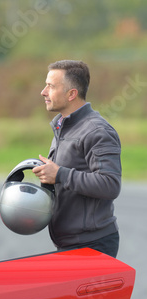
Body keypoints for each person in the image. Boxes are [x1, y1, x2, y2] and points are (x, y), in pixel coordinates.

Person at [33, 60, 122, 260]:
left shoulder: (98, 131)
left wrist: (60, 174)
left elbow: (110, 184)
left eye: (51, 86)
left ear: (71, 94)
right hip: (71, 242)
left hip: (92, 245)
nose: (43, 92)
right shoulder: (64, 126)